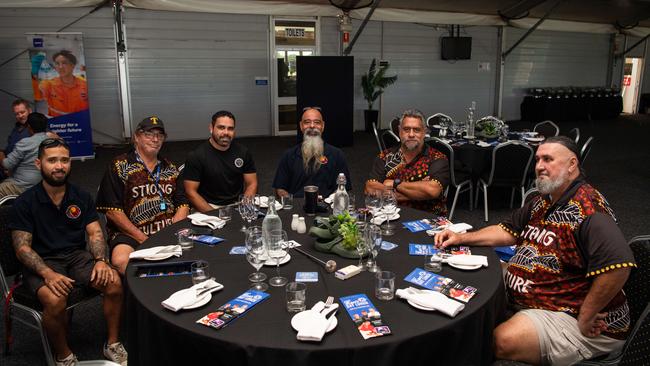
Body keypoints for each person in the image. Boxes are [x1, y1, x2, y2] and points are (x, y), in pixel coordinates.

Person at [435, 136, 636, 365]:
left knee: (501, 340)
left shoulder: (590, 210)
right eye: (538, 159)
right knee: (467, 272)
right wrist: (461, 237)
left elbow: (619, 267)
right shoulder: (545, 200)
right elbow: (507, 231)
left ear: (572, 164)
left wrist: (588, 314)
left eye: (548, 159)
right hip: (537, 296)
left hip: (573, 316)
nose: (540, 166)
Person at [9, 138, 127, 366]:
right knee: (55, 299)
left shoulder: (80, 196)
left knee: (113, 282)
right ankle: (64, 356)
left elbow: (94, 233)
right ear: (38, 164)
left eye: (64, 160)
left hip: (75, 256)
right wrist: (47, 273)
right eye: (52, 160)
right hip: (42, 261)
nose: (59, 166)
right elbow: (22, 248)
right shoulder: (25, 202)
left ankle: (112, 344)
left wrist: (101, 260)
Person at [96, 116, 189, 274]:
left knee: (199, 251)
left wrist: (174, 230)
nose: (155, 139)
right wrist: (144, 240)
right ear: (136, 137)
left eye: (160, 135)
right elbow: (112, 211)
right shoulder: (120, 165)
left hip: (167, 230)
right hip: (131, 233)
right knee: (121, 260)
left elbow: (183, 203)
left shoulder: (170, 168)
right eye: (149, 134)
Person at [365, 109, 449, 216]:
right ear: (399, 131)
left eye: (416, 130)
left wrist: (394, 183)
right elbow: (370, 187)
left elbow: (432, 190)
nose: (411, 134)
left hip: (427, 218)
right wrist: (419, 192)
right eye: (406, 129)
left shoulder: (437, 158)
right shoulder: (385, 156)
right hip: (389, 215)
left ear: (424, 132)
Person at [183, 110, 257, 211]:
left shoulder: (243, 152)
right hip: (208, 206)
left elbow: (252, 183)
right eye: (221, 127)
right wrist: (214, 216)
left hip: (236, 205)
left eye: (230, 128)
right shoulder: (196, 156)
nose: (226, 132)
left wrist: (245, 205)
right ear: (211, 128)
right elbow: (190, 192)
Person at [273, 107, 351, 198]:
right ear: (301, 126)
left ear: (323, 126)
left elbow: (343, 187)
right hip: (296, 207)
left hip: (328, 207)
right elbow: (280, 188)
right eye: (307, 122)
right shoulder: (289, 155)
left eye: (317, 122)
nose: (312, 126)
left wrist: (331, 201)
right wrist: (290, 204)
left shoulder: (337, 155)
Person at [0, 113, 49, 198]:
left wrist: (1, 155)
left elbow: (7, 164)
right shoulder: (51, 141)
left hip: (23, 186)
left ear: (29, 127)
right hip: (45, 185)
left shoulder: (25, 142)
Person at [39, 50, 89, 117]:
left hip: (80, 123)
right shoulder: (48, 85)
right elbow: (39, 92)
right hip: (58, 124)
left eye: (64, 63)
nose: (60, 67)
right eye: (57, 64)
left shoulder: (85, 85)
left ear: (72, 66)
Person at [1, 99, 33, 164]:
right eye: (17, 114)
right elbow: (10, 147)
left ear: (30, 111)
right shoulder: (16, 128)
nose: (20, 116)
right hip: (11, 165)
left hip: (24, 167)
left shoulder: (37, 126)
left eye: (22, 112)